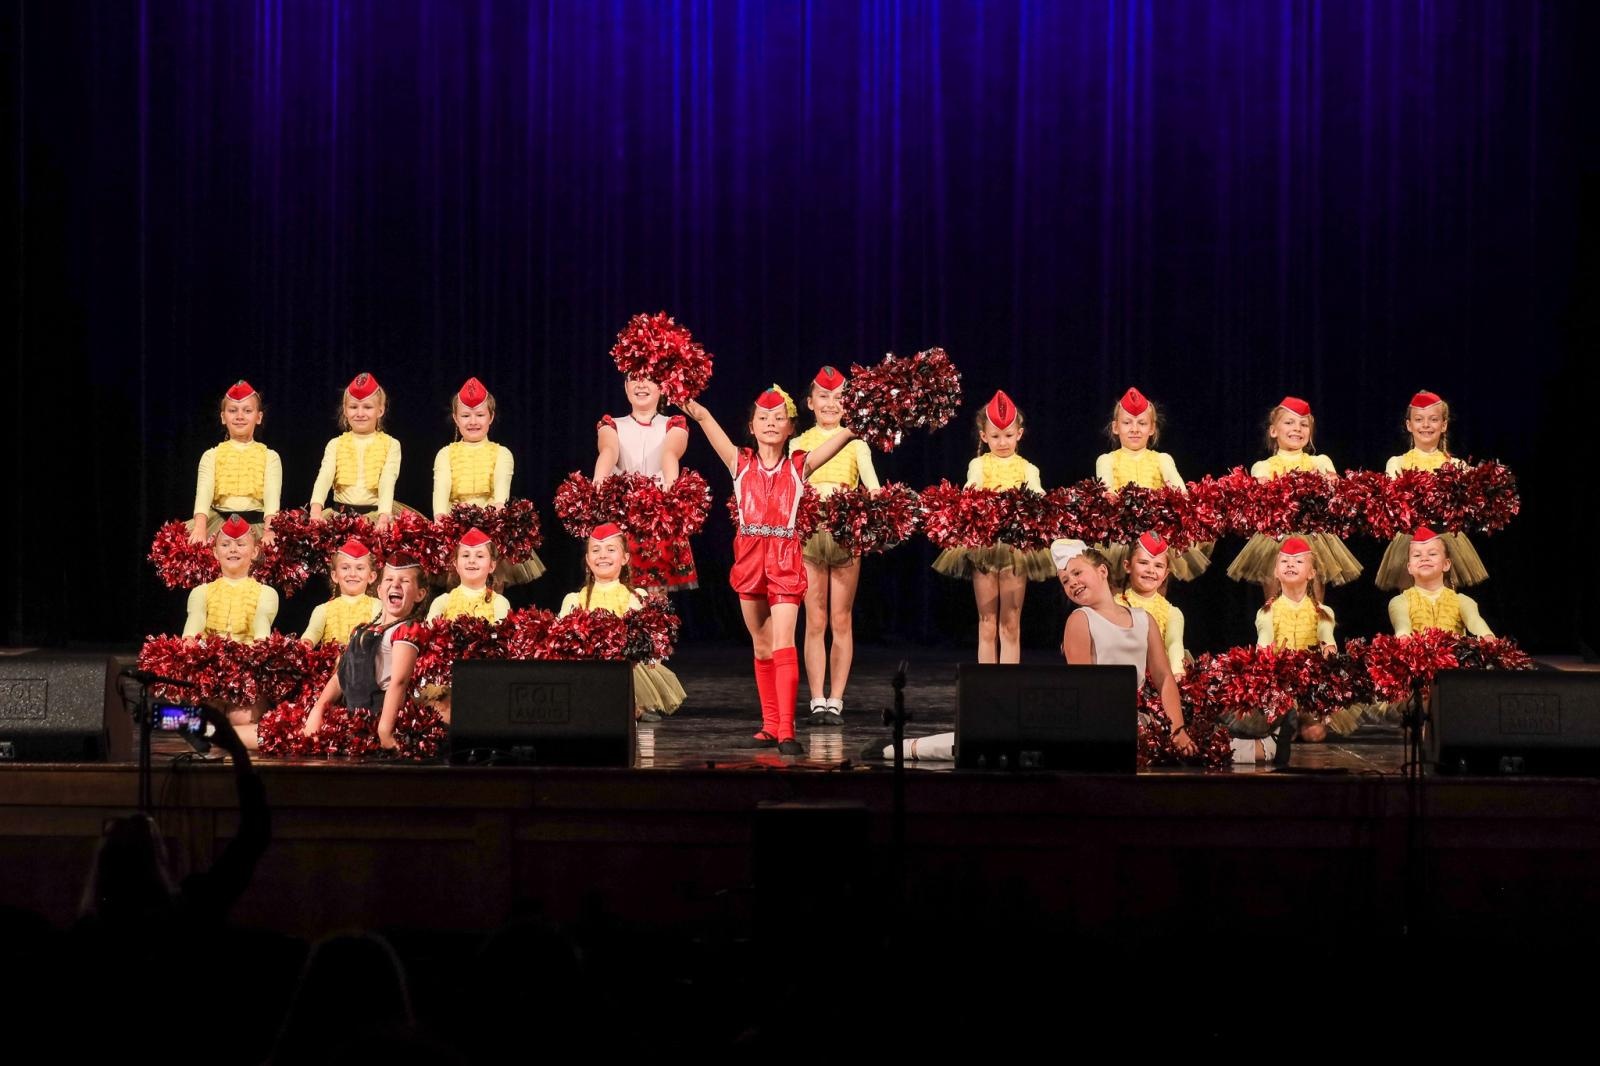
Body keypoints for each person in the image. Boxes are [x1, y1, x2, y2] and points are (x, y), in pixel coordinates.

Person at [861, 539, 1195, 762]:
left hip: (1130, 721)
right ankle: (904, 749)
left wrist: (1177, 729)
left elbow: (1165, 678)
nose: (1072, 583)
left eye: (1077, 573)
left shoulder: (1144, 618)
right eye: (1065, 580)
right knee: (995, 746)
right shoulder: (1081, 620)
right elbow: (1087, 688)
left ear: (1103, 571)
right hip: (1096, 722)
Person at [681, 386, 859, 755]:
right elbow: (702, 419)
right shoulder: (739, 462)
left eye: (779, 418)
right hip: (749, 558)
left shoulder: (799, 465)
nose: (771, 424)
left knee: (782, 642)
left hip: (784, 559)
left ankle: (787, 730)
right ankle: (768, 724)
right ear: (751, 425)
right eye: (763, 418)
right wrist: (688, 400)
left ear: (792, 427)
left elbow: (844, 436)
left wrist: (864, 419)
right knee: (761, 647)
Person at [930, 390, 1054, 664]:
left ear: (1019, 434)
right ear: (983, 436)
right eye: (995, 436)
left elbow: (1038, 497)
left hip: (1015, 549)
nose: (1002, 442)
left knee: (1010, 622)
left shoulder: (1028, 468)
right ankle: (986, 685)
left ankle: (1008, 686)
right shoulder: (978, 464)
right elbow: (970, 490)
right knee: (987, 621)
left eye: (1008, 435)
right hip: (984, 546)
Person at [790, 365, 881, 727]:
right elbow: (792, 487)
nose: (831, 403)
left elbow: (872, 488)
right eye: (823, 396)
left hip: (845, 537)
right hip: (809, 536)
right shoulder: (798, 443)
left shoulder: (857, 443)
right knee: (815, 618)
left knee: (841, 618)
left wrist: (875, 510)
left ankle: (836, 700)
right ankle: (816, 699)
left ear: (849, 403)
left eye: (839, 397)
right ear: (810, 402)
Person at [1225, 396, 1362, 587]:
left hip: (1314, 537)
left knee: (1314, 598)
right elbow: (1259, 490)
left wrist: (1331, 482)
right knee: (1274, 597)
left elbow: (1335, 490)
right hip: (1275, 538)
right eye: (1289, 422)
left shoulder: (1320, 462)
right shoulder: (1263, 466)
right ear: (1273, 431)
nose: (1297, 428)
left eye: (1304, 425)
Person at [558, 523, 686, 722]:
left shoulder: (637, 598)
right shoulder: (574, 600)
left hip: (627, 678)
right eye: (595, 550)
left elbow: (651, 650)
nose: (602, 555)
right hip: (587, 678)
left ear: (625, 558)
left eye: (611, 550)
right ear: (587, 559)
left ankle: (635, 703)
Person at [303, 556, 429, 749]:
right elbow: (341, 676)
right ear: (379, 590)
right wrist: (318, 709)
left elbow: (399, 682)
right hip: (350, 719)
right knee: (290, 734)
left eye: (404, 580)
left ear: (419, 594)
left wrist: (384, 731)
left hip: (375, 721)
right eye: (389, 579)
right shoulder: (362, 630)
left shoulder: (406, 629)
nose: (395, 584)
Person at [431, 375, 543, 586]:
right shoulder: (445, 454)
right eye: (465, 415)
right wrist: (444, 528)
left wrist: (487, 534)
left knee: (492, 585)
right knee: (457, 585)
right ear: (455, 418)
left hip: (490, 532)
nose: (473, 421)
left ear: (490, 417)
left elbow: (500, 498)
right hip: (455, 533)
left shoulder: (502, 454)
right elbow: (440, 495)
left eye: (480, 414)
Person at [1374, 390, 1489, 590]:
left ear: (1443, 425)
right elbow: (1393, 504)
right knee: (1412, 598)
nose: (1426, 425)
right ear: (1409, 425)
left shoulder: (1456, 465)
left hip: (1445, 538)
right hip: (1411, 540)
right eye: (1419, 419)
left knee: (1446, 597)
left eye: (1433, 419)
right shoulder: (1397, 463)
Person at [593, 372, 698, 591]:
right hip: (621, 521)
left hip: (656, 521)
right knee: (617, 593)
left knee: (654, 603)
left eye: (649, 378)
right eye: (634, 378)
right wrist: (599, 479)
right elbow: (609, 450)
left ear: (662, 386)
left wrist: (671, 487)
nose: (641, 384)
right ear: (625, 386)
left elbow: (670, 452)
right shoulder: (611, 424)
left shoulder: (674, 424)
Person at [1093, 387, 1207, 579]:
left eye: (1142, 423)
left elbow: (1181, 493)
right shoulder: (1106, 460)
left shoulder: (1162, 459)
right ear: (1115, 427)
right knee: (1115, 586)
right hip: (1121, 534)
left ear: (1152, 428)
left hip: (1158, 534)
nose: (1135, 429)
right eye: (1127, 422)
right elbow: (1107, 492)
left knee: (1156, 581)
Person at [308, 372, 404, 532]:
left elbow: (388, 480)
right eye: (353, 407)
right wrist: (316, 510)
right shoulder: (335, 444)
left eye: (367, 407)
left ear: (380, 410)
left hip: (375, 516)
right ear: (345, 410)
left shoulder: (391, 444)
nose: (360, 413)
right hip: (340, 518)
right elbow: (324, 476)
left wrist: (384, 516)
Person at [189, 379, 281, 545]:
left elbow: (271, 497)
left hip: (256, 528)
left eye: (247, 411)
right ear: (223, 417)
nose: (240, 416)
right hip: (218, 526)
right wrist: (200, 527)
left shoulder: (270, 456)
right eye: (233, 410)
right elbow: (204, 493)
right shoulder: (211, 456)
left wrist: (269, 531)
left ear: (259, 417)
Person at [182, 514, 279, 641]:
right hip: (208, 657)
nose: (233, 549)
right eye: (225, 545)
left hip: (250, 657)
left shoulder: (266, 593)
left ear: (255, 552)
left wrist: (260, 648)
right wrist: (189, 640)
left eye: (241, 544)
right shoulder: (201, 592)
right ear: (216, 552)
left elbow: (262, 625)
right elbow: (195, 622)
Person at [1387, 526, 1495, 637]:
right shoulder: (1400, 601)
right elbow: (1401, 623)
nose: (1424, 558)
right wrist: (1403, 636)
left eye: (1432, 554)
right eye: (1417, 555)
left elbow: (1475, 621)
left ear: (1446, 564)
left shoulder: (1461, 601)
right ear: (1409, 567)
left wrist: (1487, 636)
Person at [1115, 532, 1188, 677]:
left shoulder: (1171, 612)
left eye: (1159, 566)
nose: (1151, 570)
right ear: (1127, 566)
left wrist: (1177, 671)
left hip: (1156, 683)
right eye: (1143, 563)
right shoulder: (1114, 604)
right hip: (1120, 679)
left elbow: (1174, 643)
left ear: (1166, 574)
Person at [300, 538, 380, 646]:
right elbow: (312, 633)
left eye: (360, 568)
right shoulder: (323, 609)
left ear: (371, 576)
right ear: (335, 576)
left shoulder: (378, 606)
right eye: (345, 568)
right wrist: (306, 643)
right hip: (332, 662)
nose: (352, 574)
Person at [426, 528, 512, 622]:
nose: (471, 561)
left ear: (491, 565)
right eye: (466, 556)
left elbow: (502, 635)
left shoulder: (499, 603)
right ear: (456, 564)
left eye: (479, 556)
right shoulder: (441, 602)